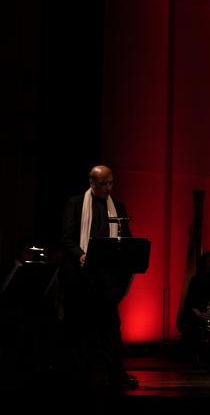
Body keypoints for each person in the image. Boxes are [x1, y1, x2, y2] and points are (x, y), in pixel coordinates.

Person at [60, 165, 138, 389]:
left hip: (107, 281)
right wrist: (81, 255)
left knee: (112, 327)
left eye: (111, 183)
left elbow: (127, 237)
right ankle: (83, 377)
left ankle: (116, 375)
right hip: (82, 279)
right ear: (92, 182)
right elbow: (67, 238)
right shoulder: (75, 204)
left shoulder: (118, 206)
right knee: (82, 329)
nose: (108, 187)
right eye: (103, 183)